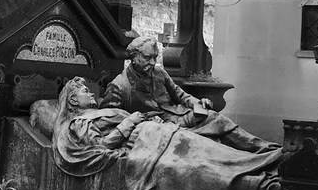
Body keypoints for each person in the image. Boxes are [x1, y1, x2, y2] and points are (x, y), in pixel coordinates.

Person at [52, 77, 282, 190]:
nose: (91, 93)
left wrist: (147, 119)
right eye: (84, 91)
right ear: (73, 100)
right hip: (146, 140)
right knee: (202, 159)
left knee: (206, 148)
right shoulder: (80, 122)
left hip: (156, 132)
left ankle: (264, 161)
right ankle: (258, 168)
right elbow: (101, 147)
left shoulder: (98, 112)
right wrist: (130, 121)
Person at [100, 35, 281, 155]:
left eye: (155, 57)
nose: (153, 62)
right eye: (148, 58)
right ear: (133, 57)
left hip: (179, 116)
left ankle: (264, 148)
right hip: (156, 129)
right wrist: (141, 122)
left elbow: (181, 95)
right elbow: (110, 122)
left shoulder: (159, 73)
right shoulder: (119, 86)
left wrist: (198, 103)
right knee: (204, 143)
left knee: (216, 118)